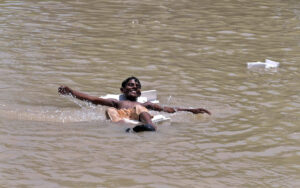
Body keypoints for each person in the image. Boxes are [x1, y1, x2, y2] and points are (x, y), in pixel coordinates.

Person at [58, 76, 211, 132]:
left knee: (139, 107)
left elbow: (167, 109)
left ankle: (150, 127)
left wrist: (191, 110)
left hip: (139, 115)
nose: (134, 87)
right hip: (120, 118)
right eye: (131, 85)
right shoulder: (117, 101)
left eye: (137, 86)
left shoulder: (145, 103)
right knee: (110, 110)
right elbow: (92, 99)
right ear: (122, 89)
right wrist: (71, 92)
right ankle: (123, 128)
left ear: (139, 92)